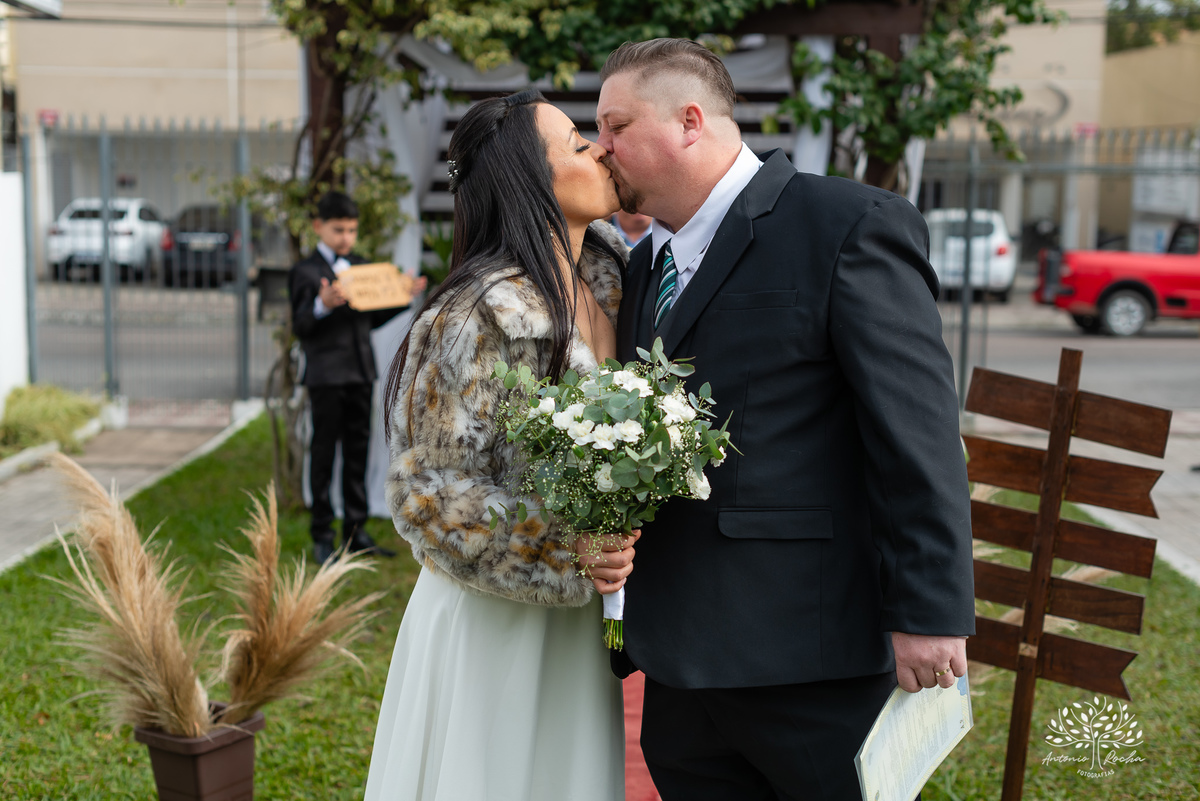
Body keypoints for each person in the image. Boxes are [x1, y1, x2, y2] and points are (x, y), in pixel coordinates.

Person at [596, 39, 976, 800]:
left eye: (614, 126)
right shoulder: (641, 267)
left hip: (810, 657)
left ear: (690, 122)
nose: (598, 148)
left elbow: (916, 432)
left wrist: (931, 610)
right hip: (679, 667)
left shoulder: (845, 223)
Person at [364, 90, 638, 801]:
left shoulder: (616, 287)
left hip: (575, 633)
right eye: (579, 144)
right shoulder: (476, 313)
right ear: (532, 181)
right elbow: (428, 495)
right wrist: (564, 545)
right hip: (493, 627)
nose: (602, 149)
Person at [288, 191, 426, 565]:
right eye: (338, 230)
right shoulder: (304, 271)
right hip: (325, 377)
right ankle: (321, 533)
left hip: (361, 374)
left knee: (357, 453)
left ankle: (355, 530)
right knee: (323, 454)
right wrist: (322, 305)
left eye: (351, 230)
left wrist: (402, 296)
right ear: (319, 227)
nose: (345, 237)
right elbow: (300, 325)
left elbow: (369, 318)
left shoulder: (361, 268)